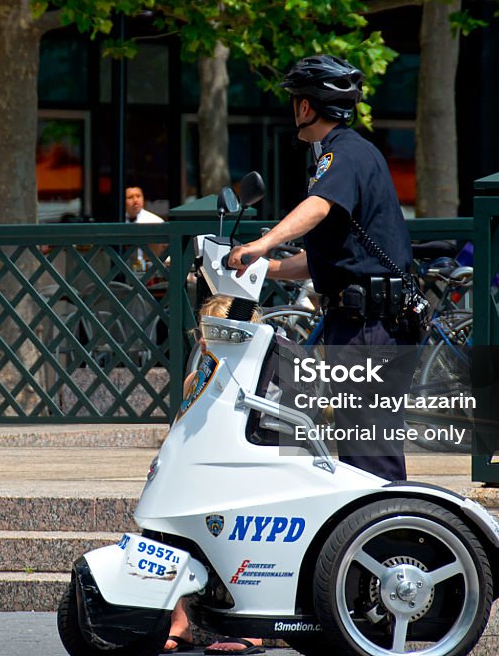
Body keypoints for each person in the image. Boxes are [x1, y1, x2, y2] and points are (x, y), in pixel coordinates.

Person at [228, 54, 416, 481]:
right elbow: (326, 260)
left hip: (369, 324)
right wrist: (267, 267)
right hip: (365, 320)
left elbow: (317, 206)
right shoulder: (350, 152)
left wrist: (262, 242)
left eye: (296, 100)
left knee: (370, 447)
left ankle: (392, 538)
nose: (294, 107)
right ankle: (375, 534)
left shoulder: (341, 156)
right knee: (359, 444)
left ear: (306, 107)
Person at [165, 295, 267, 656]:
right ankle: (181, 622)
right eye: (203, 333)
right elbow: (183, 426)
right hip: (201, 475)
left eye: (211, 334)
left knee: (244, 534)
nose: (203, 341)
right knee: (166, 528)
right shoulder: (199, 377)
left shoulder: (258, 377)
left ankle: (252, 627)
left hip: (244, 478)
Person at [124, 186, 167, 270]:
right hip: (123, 269)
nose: (135, 200)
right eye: (130, 197)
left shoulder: (155, 221)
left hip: (150, 270)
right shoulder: (118, 220)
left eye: (138, 196)